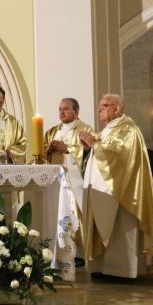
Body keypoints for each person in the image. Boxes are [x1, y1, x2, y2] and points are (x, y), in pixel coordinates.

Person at [80, 94, 153, 279]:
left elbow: (122, 155)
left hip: (121, 192)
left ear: (116, 109)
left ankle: (121, 271)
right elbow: (101, 150)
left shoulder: (128, 129)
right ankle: (101, 268)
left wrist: (96, 145)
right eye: (99, 105)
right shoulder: (109, 129)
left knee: (120, 229)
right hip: (102, 191)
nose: (99, 109)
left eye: (104, 105)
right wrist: (88, 148)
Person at [44, 97, 96, 268]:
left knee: (76, 215)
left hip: (76, 183)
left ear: (76, 111)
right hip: (56, 183)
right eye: (60, 109)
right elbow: (42, 154)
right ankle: (57, 250)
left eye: (66, 109)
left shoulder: (86, 129)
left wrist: (67, 149)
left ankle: (78, 253)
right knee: (57, 213)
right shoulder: (52, 131)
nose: (62, 112)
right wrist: (49, 150)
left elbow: (92, 154)